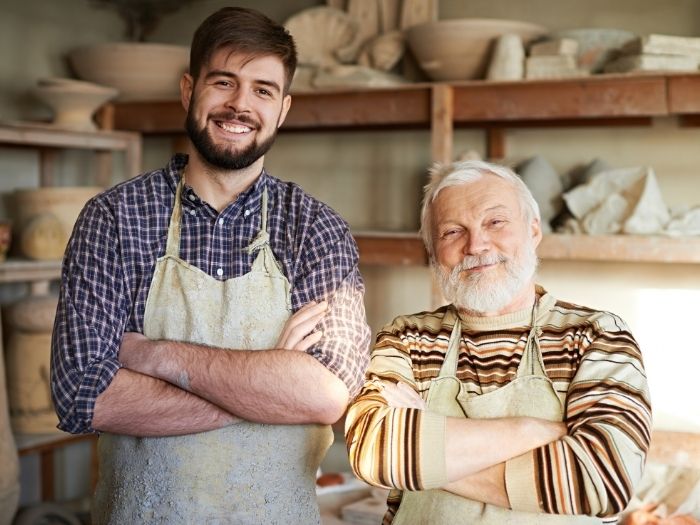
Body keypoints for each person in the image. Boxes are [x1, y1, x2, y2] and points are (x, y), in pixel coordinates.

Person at [50, 7, 370, 524]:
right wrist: (268, 385)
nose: (241, 105)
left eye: (263, 90)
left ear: (282, 109)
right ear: (188, 90)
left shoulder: (315, 229)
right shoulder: (114, 218)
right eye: (225, 82)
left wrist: (154, 356)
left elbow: (329, 393)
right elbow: (83, 396)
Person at [345, 159, 652, 524]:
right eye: (452, 232)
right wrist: (533, 431)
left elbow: (603, 478)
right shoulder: (407, 339)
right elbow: (374, 451)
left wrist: (430, 451)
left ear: (533, 230)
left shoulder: (598, 335)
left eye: (495, 222)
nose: (476, 245)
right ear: (433, 251)